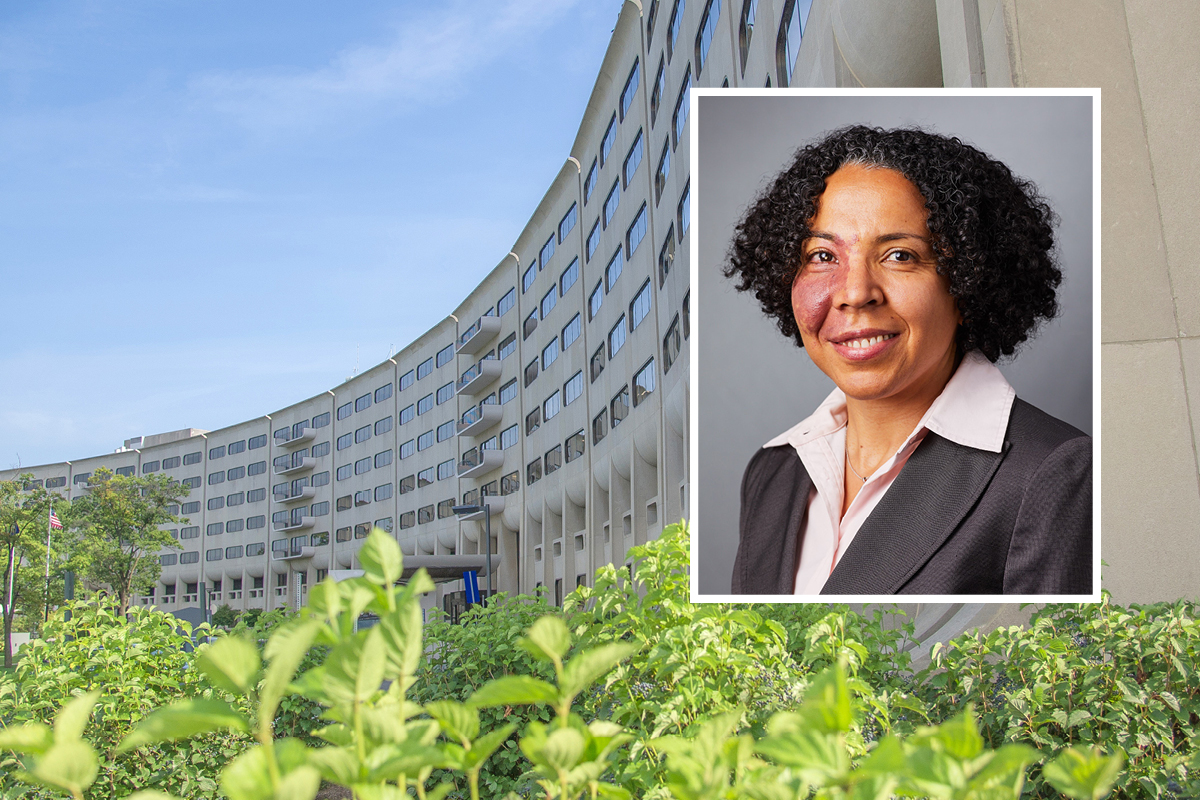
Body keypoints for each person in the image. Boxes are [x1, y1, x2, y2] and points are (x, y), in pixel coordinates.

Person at [724, 125, 1091, 595]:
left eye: (900, 255)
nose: (856, 293)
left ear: (966, 282)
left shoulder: (1053, 472)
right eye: (820, 255)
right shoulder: (771, 473)